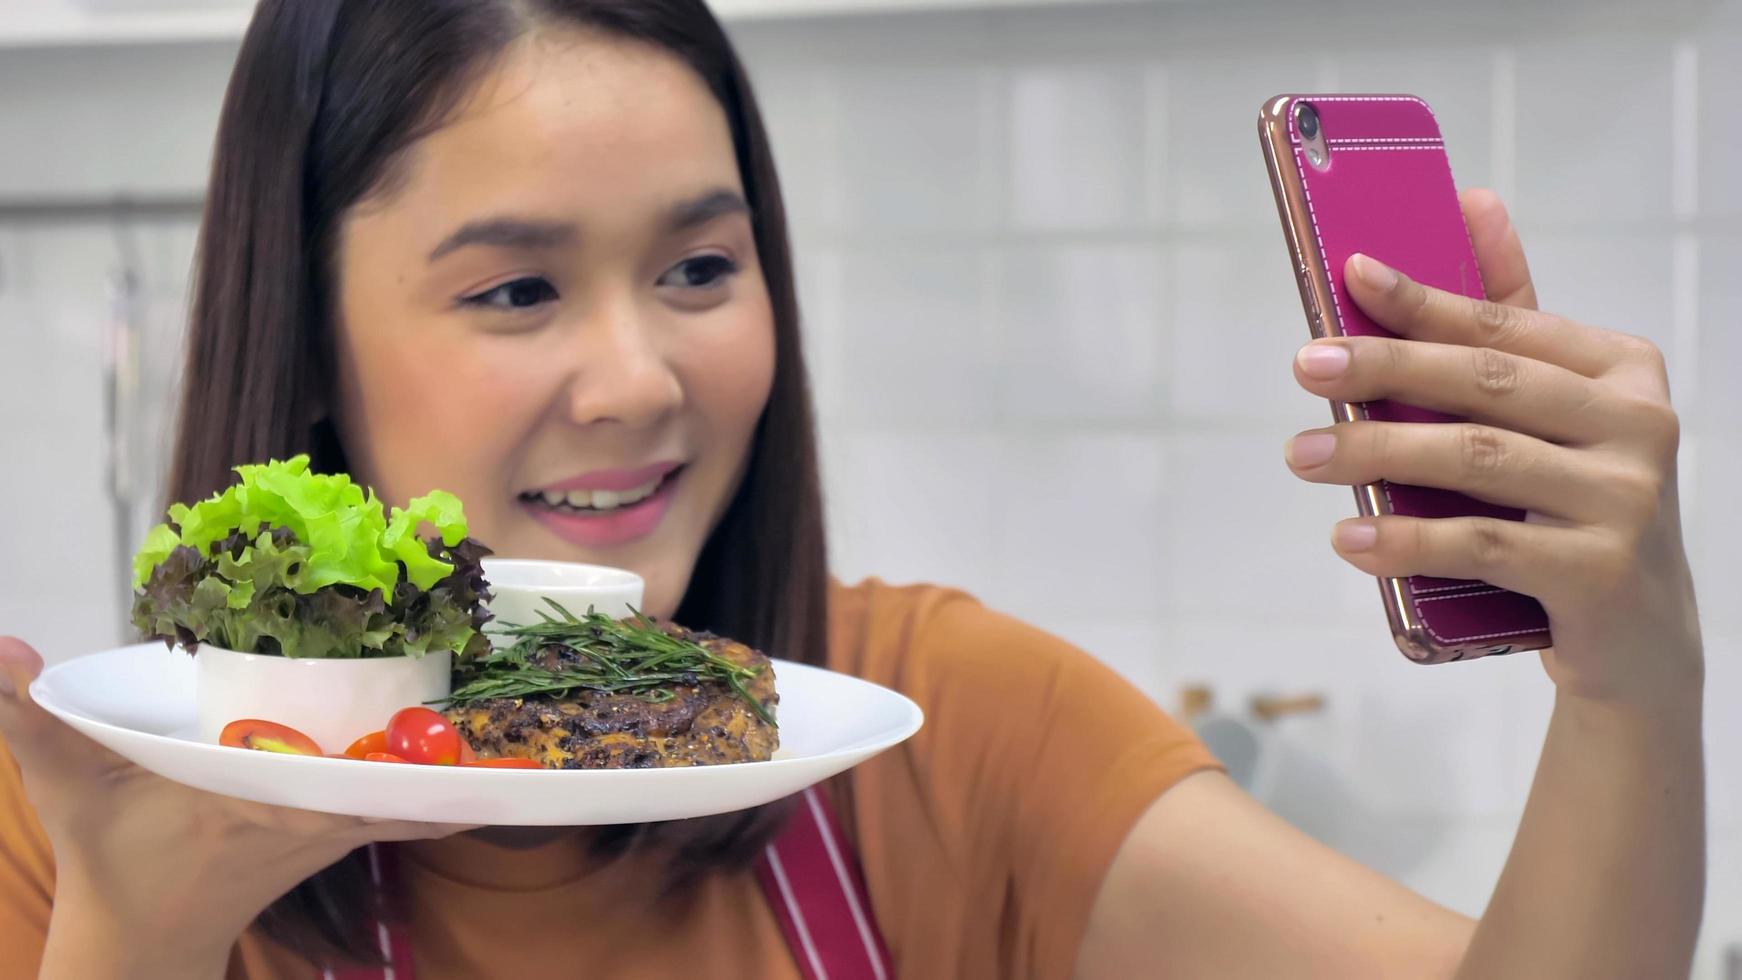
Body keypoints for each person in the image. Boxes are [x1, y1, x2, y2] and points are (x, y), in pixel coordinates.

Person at [0, 1, 1705, 978]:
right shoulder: (81, 824)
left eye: (697, 267)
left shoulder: (935, 724)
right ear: (305, 343)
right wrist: (134, 936)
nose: (641, 378)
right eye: (515, 290)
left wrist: (1629, 684)